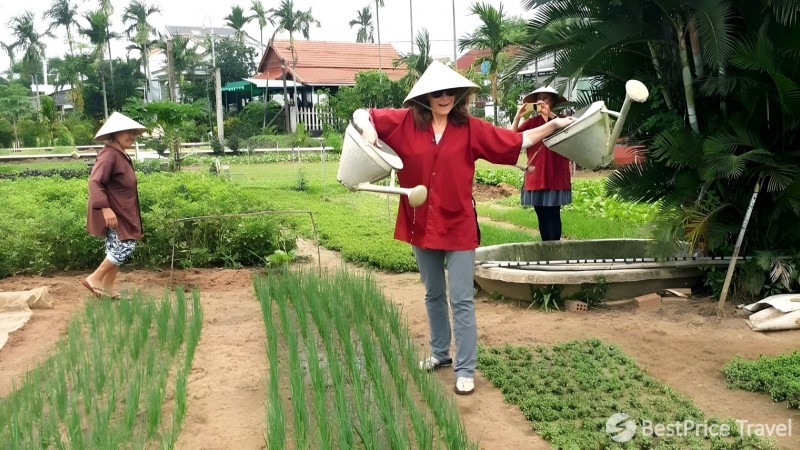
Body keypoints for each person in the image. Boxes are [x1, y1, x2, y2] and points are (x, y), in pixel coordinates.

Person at [351, 61, 574, 395]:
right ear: (425, 96)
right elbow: (361, 113)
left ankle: (465, 366)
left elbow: (518, 140)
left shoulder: (471, 128)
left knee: (462, 298)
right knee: (433, 293)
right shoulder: (405, 122)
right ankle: (440, 353)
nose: (445, 97)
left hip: (457, 224)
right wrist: (369, 131)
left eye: (451, 92)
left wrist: (553, 124)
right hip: (421, 222)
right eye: (438, 92)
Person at [81, 112, 147, 299]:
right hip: (115, 212)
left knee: (115, 249)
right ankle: (95, 278)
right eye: (128, 132)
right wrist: (105, 208)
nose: (132, 136)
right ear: (115, 133)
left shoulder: (120, 155)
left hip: (124, 211)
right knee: (125, 246)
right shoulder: (109, 155)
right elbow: (95, 182)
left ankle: (108, 288)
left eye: (134, 132)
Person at [511, 86, 572, 241]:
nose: (541, 102)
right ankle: (546, 250)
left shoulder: (561, 120)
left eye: (545, 98)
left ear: (553, 102)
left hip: (555, 174)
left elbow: (572, 130)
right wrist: (518, 116)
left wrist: (550, 115)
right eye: (539, 99)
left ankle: (555, 249)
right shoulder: (532, 122)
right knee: (541, 215)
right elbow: (511, 137)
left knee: (553, 213)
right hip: (536, 174)